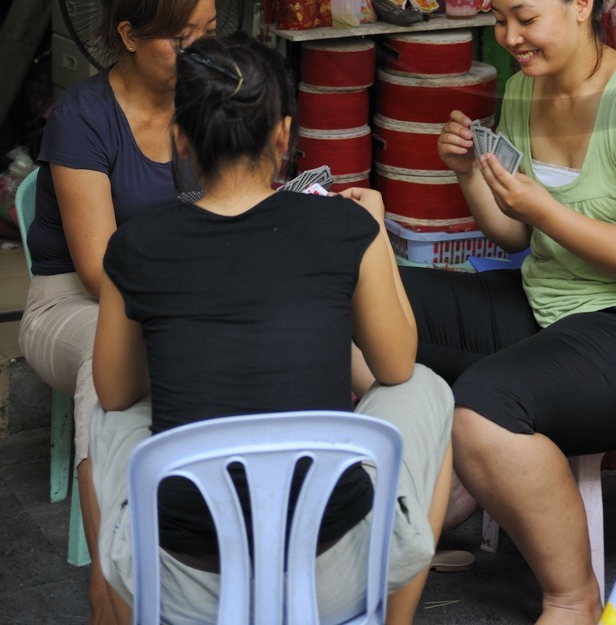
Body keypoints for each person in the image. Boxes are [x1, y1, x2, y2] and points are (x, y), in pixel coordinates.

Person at [394, 0, 616, 625]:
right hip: (550, 302)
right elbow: (513, 232)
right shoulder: (521, 91)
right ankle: (431, 494)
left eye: (526, 18)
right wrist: (468, 176)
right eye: (500, 20)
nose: (510, 36)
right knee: (378, 300)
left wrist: (546, 207)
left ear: (581, 5)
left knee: (485, 404)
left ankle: (571, 596)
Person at [90, 35, 453, 625]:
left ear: (179, 138)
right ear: (283, 135)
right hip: (334, 574)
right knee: (429, 389)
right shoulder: (344, 226)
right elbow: (395, 368)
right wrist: (375, 232)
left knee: (104, 411)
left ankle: (118, 612)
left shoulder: (135, 246)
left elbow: (114, 392)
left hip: (183, 588)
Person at [20, 0, 216, 625]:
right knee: (116, 351)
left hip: (180, 302)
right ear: (129, 36)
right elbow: (102, 270)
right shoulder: (81, 118)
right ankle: (112, 588)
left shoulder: (209, 107)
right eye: (182, 38)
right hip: (69, 304)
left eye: (210, 31)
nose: (201, 51)